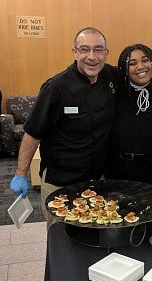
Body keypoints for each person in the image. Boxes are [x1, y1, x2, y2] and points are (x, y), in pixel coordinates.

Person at [10, 27, 120, 228]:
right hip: (60, 182)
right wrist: (20, 174)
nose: (92, 56)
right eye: (85, 49)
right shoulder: (56, 87)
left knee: (93, 235)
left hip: (97, 181)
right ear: (75, 52)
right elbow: (32, 133)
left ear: (106, 53)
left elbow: (138, 70)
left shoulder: (110, 77)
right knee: (61, 241)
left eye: (98, 50)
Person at [105, 44, 152, 190]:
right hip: (118, 168)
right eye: (132, 63)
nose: (140, 67)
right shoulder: (116, 87)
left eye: (145, 60)